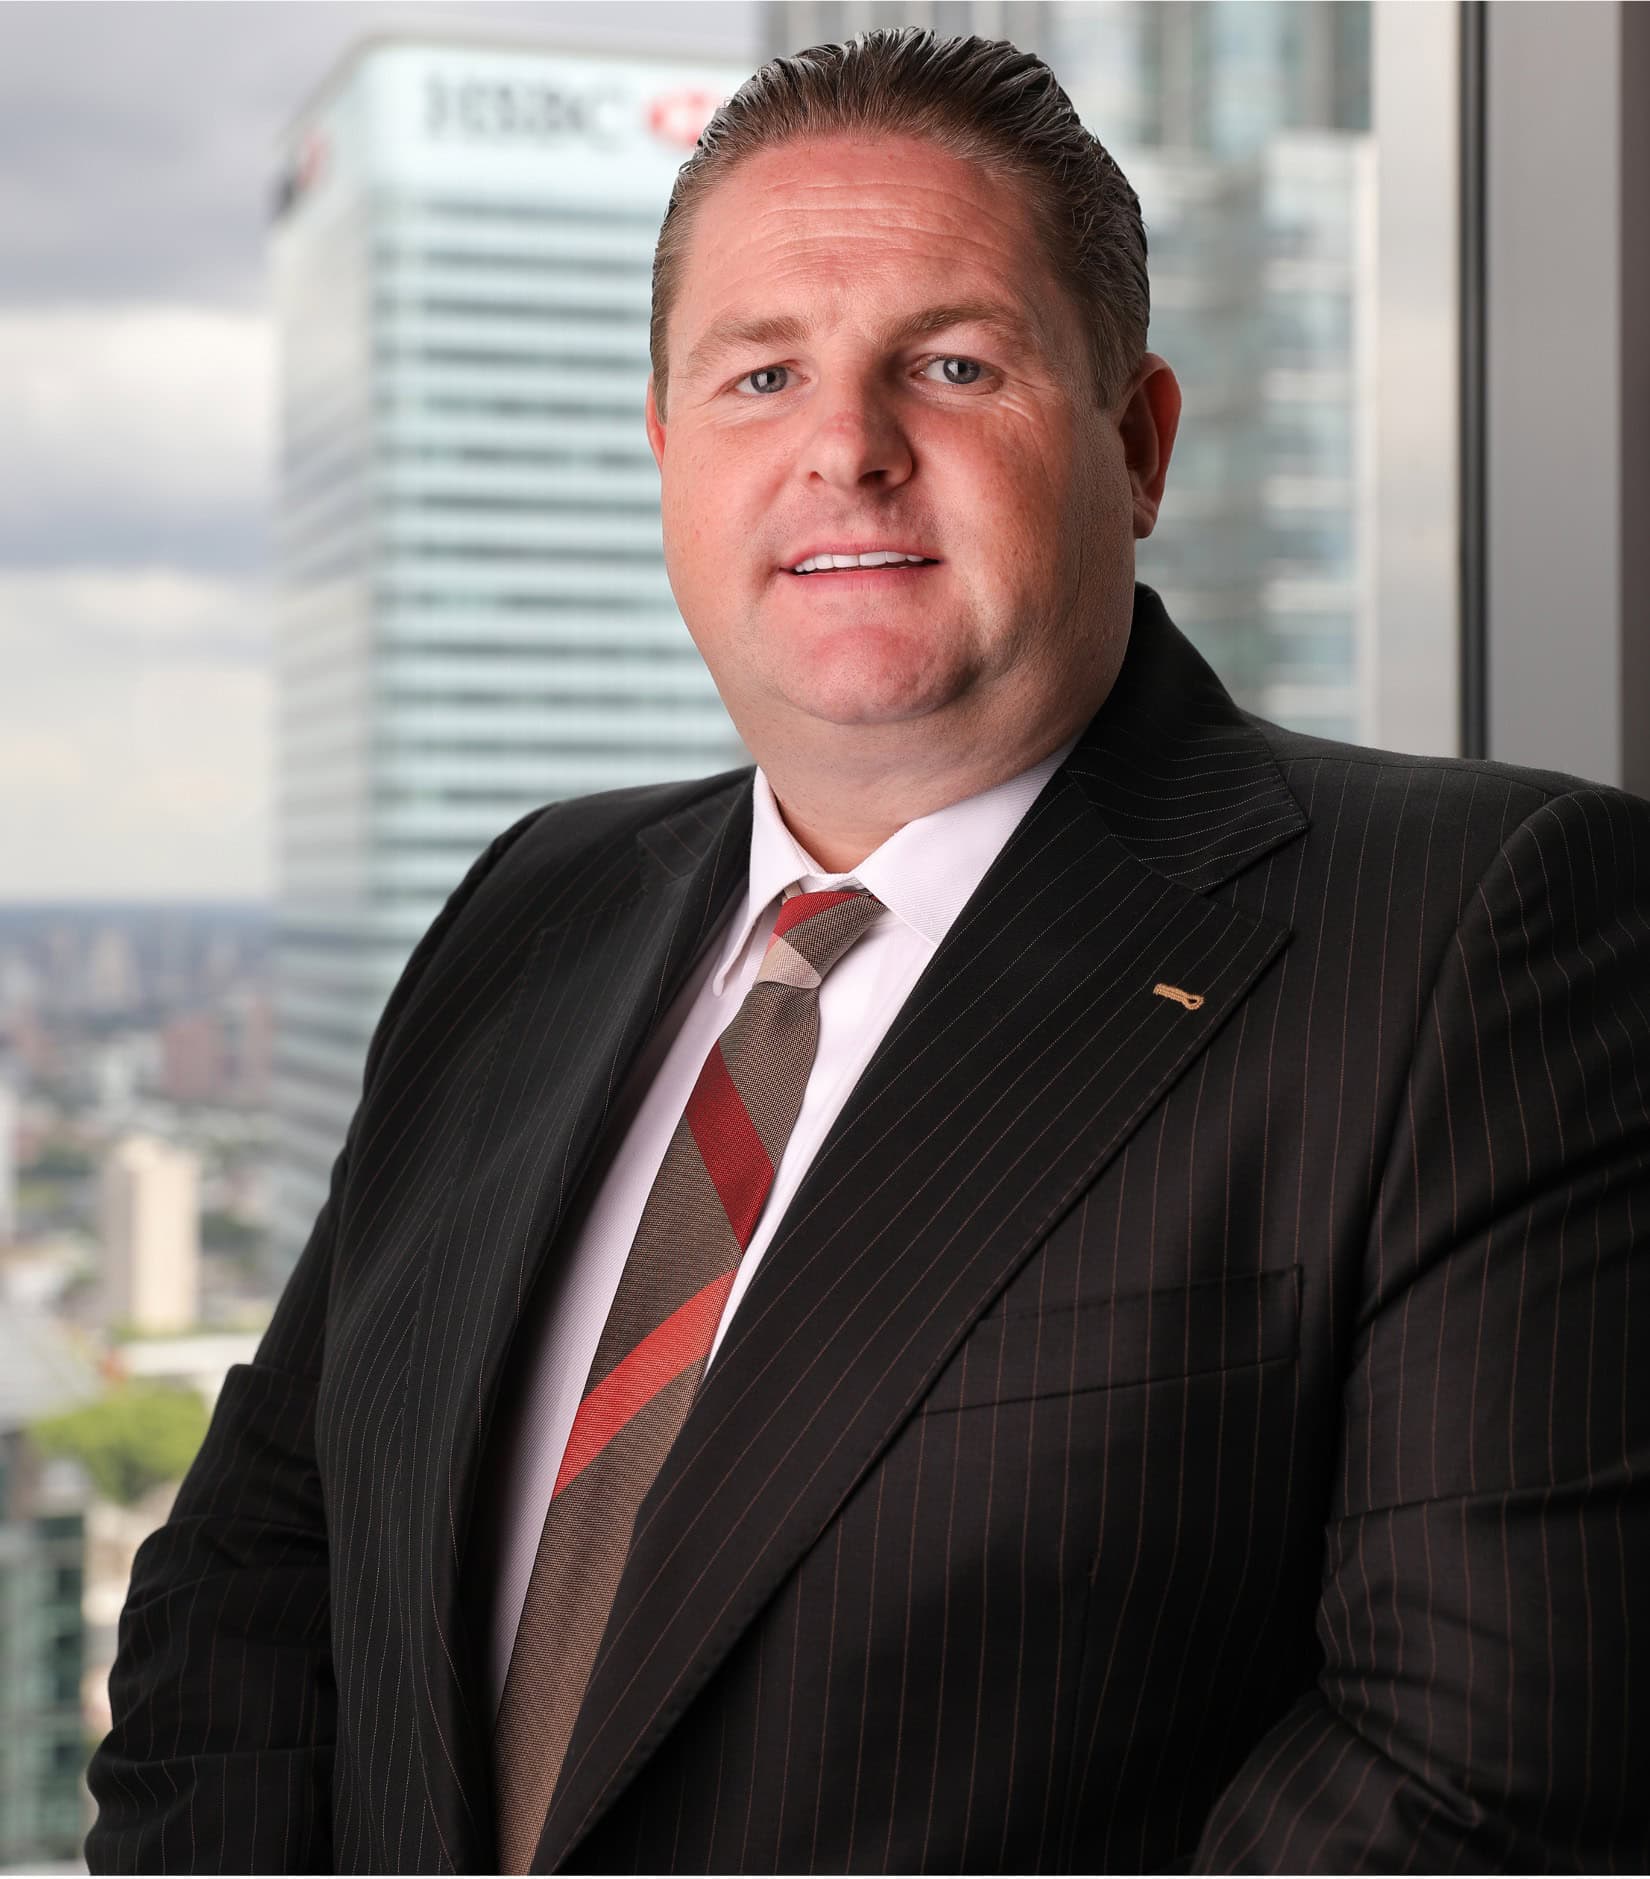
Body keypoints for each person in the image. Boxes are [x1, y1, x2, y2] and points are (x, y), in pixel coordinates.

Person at [87, 27, 1649, 1875]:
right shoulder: (532, 903)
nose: (845, 447)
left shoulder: (1477, 928)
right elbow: (262, 1575)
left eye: (952, 364)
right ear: (667, 453)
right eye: (760, 376)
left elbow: (1469, 1778)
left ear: (1136, 443)